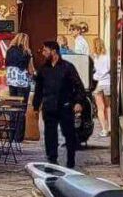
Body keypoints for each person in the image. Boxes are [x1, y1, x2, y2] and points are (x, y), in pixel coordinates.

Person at [32, 40, 86, 168]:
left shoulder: (67, 67)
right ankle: (52, 159)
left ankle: (71, 160)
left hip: (65, 106)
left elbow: (79, 86)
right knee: (50, 134)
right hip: (49, 106)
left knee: (69, 133)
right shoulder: (43, 69)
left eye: (45, 51)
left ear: (54, 51)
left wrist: (78, 102)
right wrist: (36, 106)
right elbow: (38, 89)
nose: (43, 53)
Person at [91, 36, 111, 138]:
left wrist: (95, 76)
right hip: (108, 83)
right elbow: (109, 69)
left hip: (99, 84)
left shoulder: (96, 58)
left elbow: (96, 74)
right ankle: (111, 127)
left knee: (100, 108)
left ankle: (104, 129)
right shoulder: (107, 56)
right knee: (108, 107)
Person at [5, 32, 33, 100]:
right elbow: (30, 70)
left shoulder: (9, 51)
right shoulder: (26, 52)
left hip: (11, 81)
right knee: (22, 103)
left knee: (13, 102)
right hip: (22, 82)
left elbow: (6, 65)